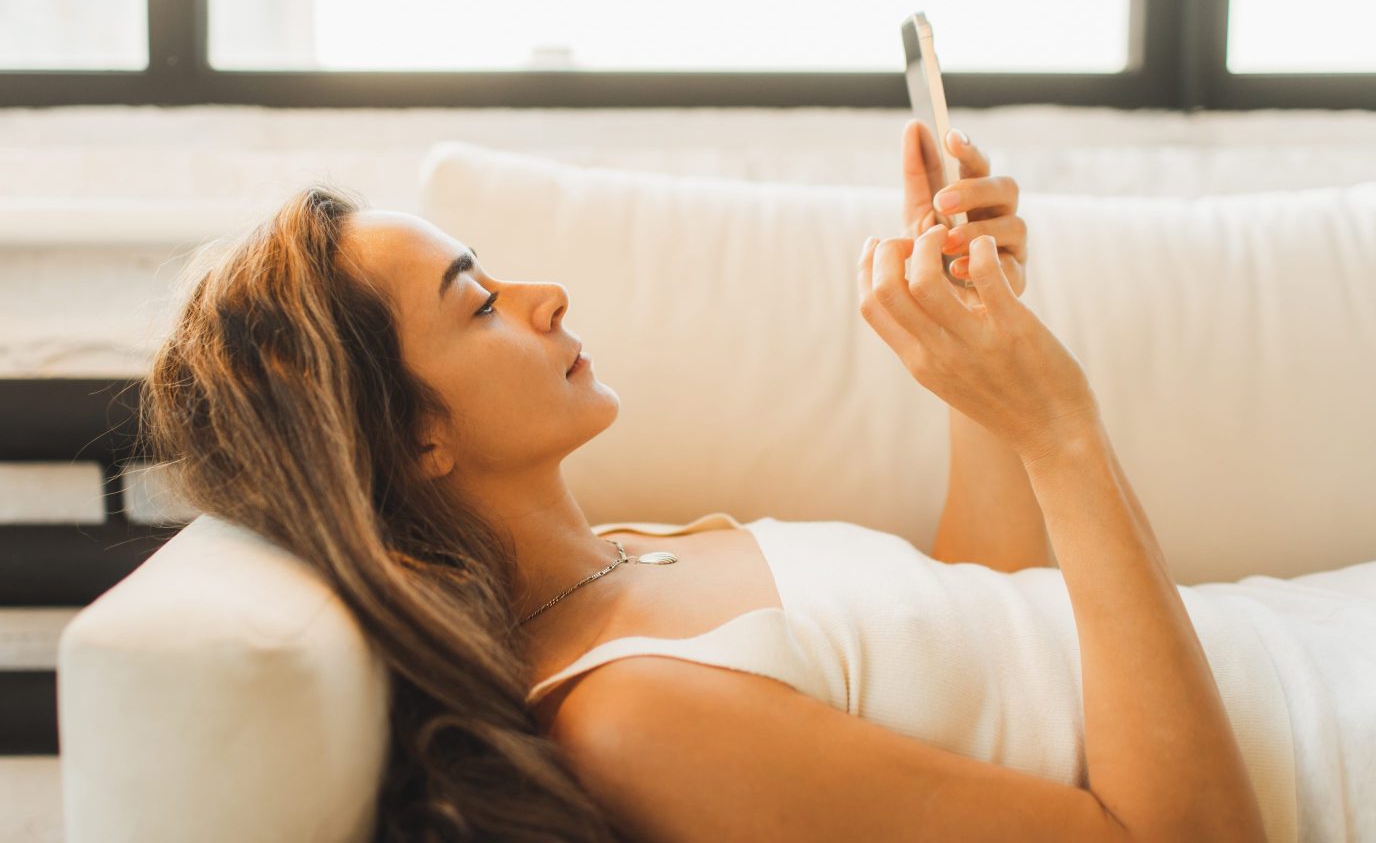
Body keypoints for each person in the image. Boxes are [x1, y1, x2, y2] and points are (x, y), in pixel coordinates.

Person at [141, 122, 1374, 843]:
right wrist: (1061, 432)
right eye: (480, 302)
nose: (544, 294)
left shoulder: (629, 554)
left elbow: (985, 623)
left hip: (1321, 622)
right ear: (416, 441)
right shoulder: (635, 719)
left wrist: (976, 349)